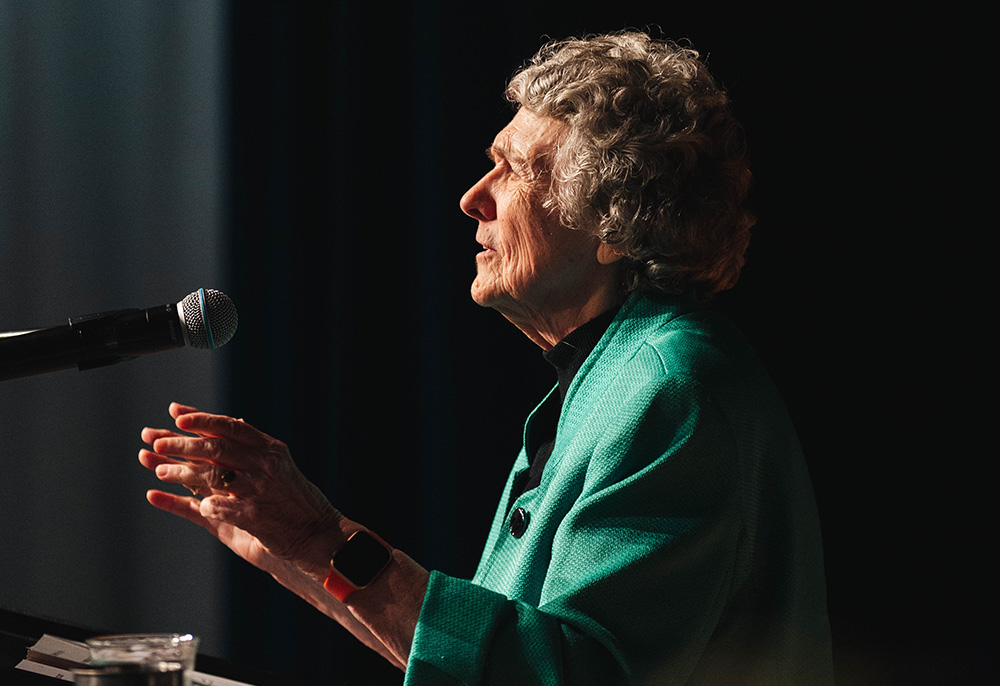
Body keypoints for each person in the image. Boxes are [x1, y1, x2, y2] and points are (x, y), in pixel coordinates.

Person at [139, 32, 833, 685]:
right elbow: (482, 664)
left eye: (517, 171)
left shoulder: (668, 388)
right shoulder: (615, 375)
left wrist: (324, 540)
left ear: (616, 223)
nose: (473, 199)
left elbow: (565, 675)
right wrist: (296, 551)